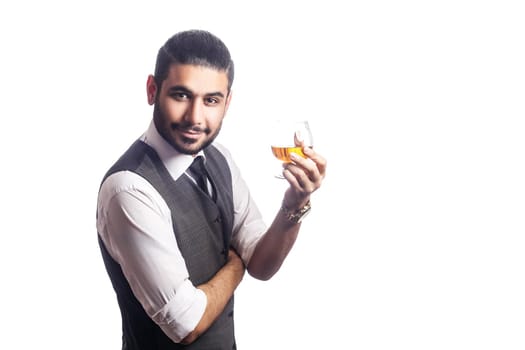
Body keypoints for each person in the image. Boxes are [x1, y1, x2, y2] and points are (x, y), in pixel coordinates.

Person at [96, 29, 327, 350]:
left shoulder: (220, 158)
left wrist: (295, 204)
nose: (196, 117)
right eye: (181, 95)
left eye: (211, 100)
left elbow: (261, 264)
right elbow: (185, 324)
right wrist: (235, 265)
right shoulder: (129, 190)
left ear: (227, 102)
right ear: (152, 90)